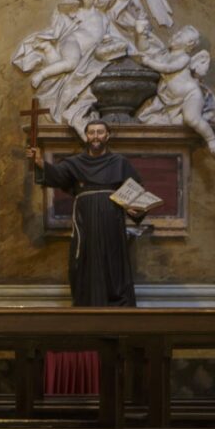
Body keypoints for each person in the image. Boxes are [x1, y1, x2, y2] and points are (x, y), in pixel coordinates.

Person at [28, 118, 143, 306]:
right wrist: (40, 162)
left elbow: (135, 191)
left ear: (107, 136)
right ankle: (87, 309)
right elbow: (56, 175)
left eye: (99, 132)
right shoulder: (75, 163)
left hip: (111, 224)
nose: (95, 136)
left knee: (113, 264)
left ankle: (118, 314)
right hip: (85, 223)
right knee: (84, 262)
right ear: (86, 136)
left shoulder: (119, 162)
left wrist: (135, 208)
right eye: (91, 132)